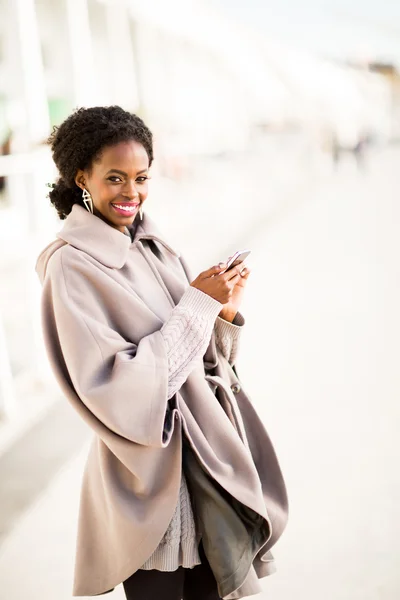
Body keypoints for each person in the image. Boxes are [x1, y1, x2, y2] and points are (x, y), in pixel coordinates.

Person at [35, 106, 288, 600]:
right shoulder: (70, 268)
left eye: (141, 177)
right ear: (80, 176)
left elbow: (205, 363)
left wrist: (224, 312)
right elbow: (121, 392)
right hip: (151, 488)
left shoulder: (155, 246)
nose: (131, 192)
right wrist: (196, 305)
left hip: (206, 470)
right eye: (115, 178)